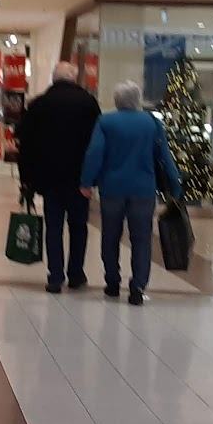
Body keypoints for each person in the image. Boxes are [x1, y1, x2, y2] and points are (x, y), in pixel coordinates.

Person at [80, 82, 182, 307]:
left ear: (117, 100)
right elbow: (164, 156)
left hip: (111, 189)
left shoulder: (105, 121)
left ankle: (112, 281)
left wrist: (86, 182)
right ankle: (137, 286)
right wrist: (175, 185)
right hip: (143, 190)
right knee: (142, 239)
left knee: (110, 236)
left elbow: (95, 153)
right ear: (138, 99)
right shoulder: (151, 123)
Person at [17, 62, 102, 293]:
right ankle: (76, 274)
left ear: (54, 78)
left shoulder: (39, 104)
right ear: (74, 78)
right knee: (78, 227)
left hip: (49, 177)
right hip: (79, 177)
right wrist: (94, 177)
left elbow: (25, 144)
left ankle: (55, 276)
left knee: (53, 227)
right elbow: (97, 144)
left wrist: (26, 177)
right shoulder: (88, 103)